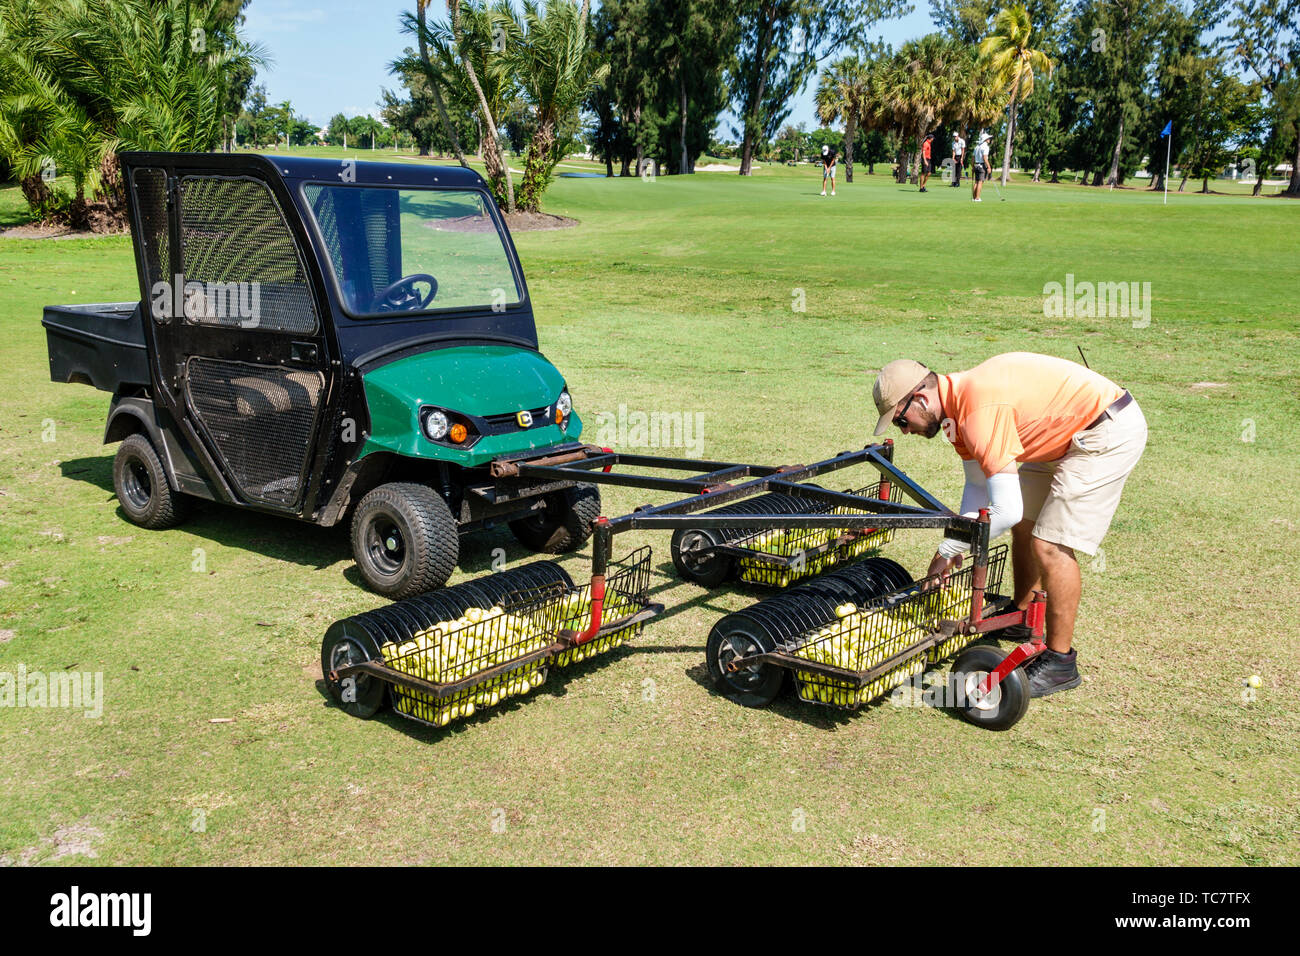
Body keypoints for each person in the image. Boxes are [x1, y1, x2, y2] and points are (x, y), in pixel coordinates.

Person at [870, 353, 1148, 698]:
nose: (905, 430)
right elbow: (977, 486)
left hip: (1103, 430)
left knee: (1050, 544)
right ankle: (1021, 615)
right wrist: (956, 543)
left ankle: (1060, 662)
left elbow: (1006, 509)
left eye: (901, 420)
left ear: (921, 398)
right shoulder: (955, 414)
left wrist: (948, 550)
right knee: (1028, 526)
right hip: (1062, 436)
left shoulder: (976, 411)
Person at [971, 132, 992, 201]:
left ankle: (974, 198)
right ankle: (977, 198)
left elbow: (973, 159)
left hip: (976, 165)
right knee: (980, 182)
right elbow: (985, 158)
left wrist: (973, 166)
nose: (989, 139)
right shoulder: (986, 147)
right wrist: (989, 167)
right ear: (985, 139)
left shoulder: (976, 147)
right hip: (981, 166)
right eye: (988, 138)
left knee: (976, 182)